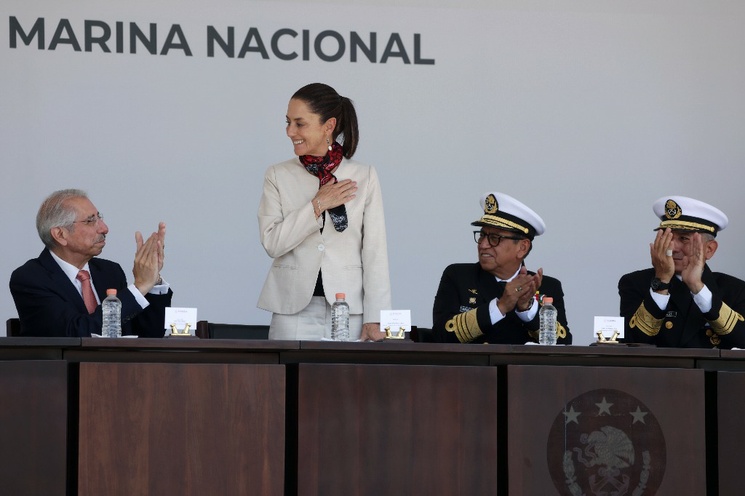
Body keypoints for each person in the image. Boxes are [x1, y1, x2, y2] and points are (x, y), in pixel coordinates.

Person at [257, 82, 391, 341]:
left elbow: (375, 251)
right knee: (288, 369)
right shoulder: (277, 174)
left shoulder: (364, 175)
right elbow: (273, 243)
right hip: (291, 310)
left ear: (328, 126)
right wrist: (317, 205)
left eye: (299, 123)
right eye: (288, 122)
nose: (290, 131)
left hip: (349, 309)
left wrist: (376, 317)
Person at [9, 189, 172, 337]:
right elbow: (77, 332)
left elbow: (147, 335)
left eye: (99, 218)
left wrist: (153, 279)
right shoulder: (30, 278)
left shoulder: (110, 271)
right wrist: (140, 287)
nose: (104, 228)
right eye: (90, 221)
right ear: (60, 234)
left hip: (119, 362)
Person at [432, 192, 571, 344]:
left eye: (494, 238)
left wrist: (527, 309)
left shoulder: (548, 287)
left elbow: (563, 343)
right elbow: (440, 335)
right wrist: (500, 306)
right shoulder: (458, 277)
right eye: (482, 235)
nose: (483, 245)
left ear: (522, 248)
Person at [619, 196, 745, 348]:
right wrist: (661, 283)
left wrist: (698, 288)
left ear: (709, 249)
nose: (672, 248)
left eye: (684, 238)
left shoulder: (736, 290)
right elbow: (631, 342)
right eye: (667, 237)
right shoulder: (634, 283)